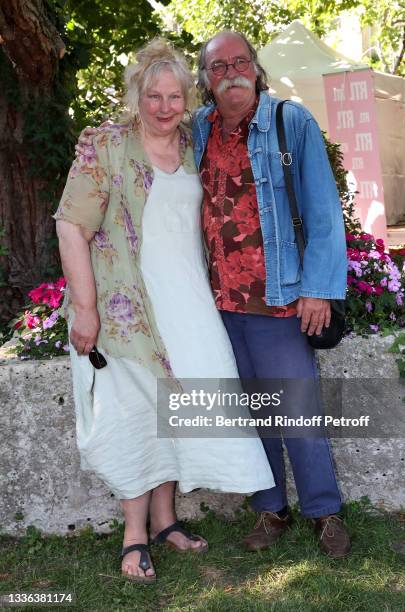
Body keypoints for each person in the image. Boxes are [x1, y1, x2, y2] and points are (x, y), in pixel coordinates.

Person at [54, 38, 275, 584]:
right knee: (134, 417)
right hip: (124, 309)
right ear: (137, 96)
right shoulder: (106, 145)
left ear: (188, 99)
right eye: (153, 96)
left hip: (187, 303)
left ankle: (166, 520)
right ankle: (134, 536)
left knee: (175, 413)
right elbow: (70, 226)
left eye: (175, 96)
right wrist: (86, 310)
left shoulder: (195, 143)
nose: (164, 107)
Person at [192, 31, 351, 558]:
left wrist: (318, 290)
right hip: (218, 303)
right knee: (252, 413)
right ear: (206, 79)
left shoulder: (289, 121)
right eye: (219, 66)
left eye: (240, 62)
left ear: (256, 70)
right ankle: (271, 508)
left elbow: (324, 211)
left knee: (297, 411)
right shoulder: (198, 129)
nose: (231, 72)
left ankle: (325, 513)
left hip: (280, 297)